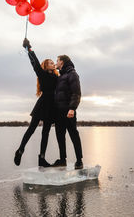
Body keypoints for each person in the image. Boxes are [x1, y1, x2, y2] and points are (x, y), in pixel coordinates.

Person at [14, 38, 58, 167]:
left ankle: (42, 158)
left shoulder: (57, 77)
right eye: (50, 63)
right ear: (45, 65)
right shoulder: (42, 73)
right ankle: (20, 150)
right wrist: (28, 48)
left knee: (46, 133)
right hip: (43, 104)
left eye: (53, 62)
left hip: (52, 106)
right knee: (32, 128)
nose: (53, 64)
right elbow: (34, 62)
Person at [52, 54, 84, 169]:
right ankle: (62, 160)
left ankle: (79, 160)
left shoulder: (72, 74)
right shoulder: (61, 76)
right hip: (58, 112)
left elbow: (76, 93)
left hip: (68, 111)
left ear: (62, 62)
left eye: (57, 60)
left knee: (73, 135)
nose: (56, 62)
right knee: (60, 136)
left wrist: (72, 108)